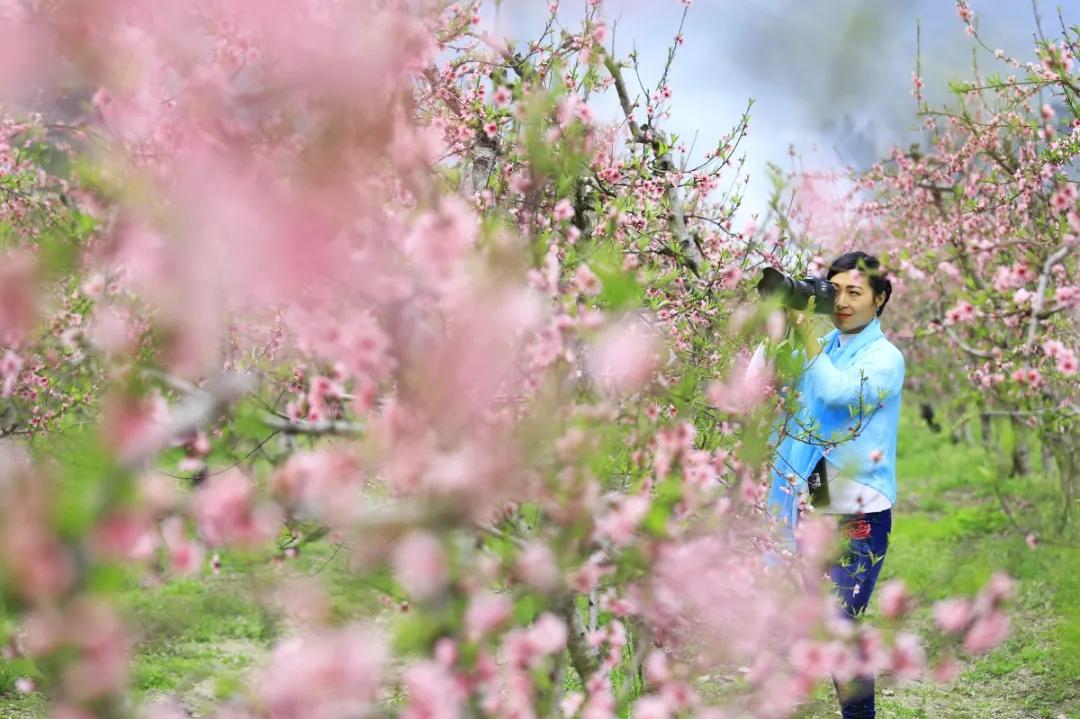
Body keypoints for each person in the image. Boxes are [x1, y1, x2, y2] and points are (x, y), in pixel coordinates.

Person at [766, 251, 905, 719]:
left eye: (855, 292)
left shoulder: (886, 358)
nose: (841, 303)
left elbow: (836, 393)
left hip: (859, 508)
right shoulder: (828, 347)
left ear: (879, 299)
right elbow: (761, 385)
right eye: (835, 291)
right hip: (815, 498)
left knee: (839, 622)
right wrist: (780, 330)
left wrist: (806, 334)